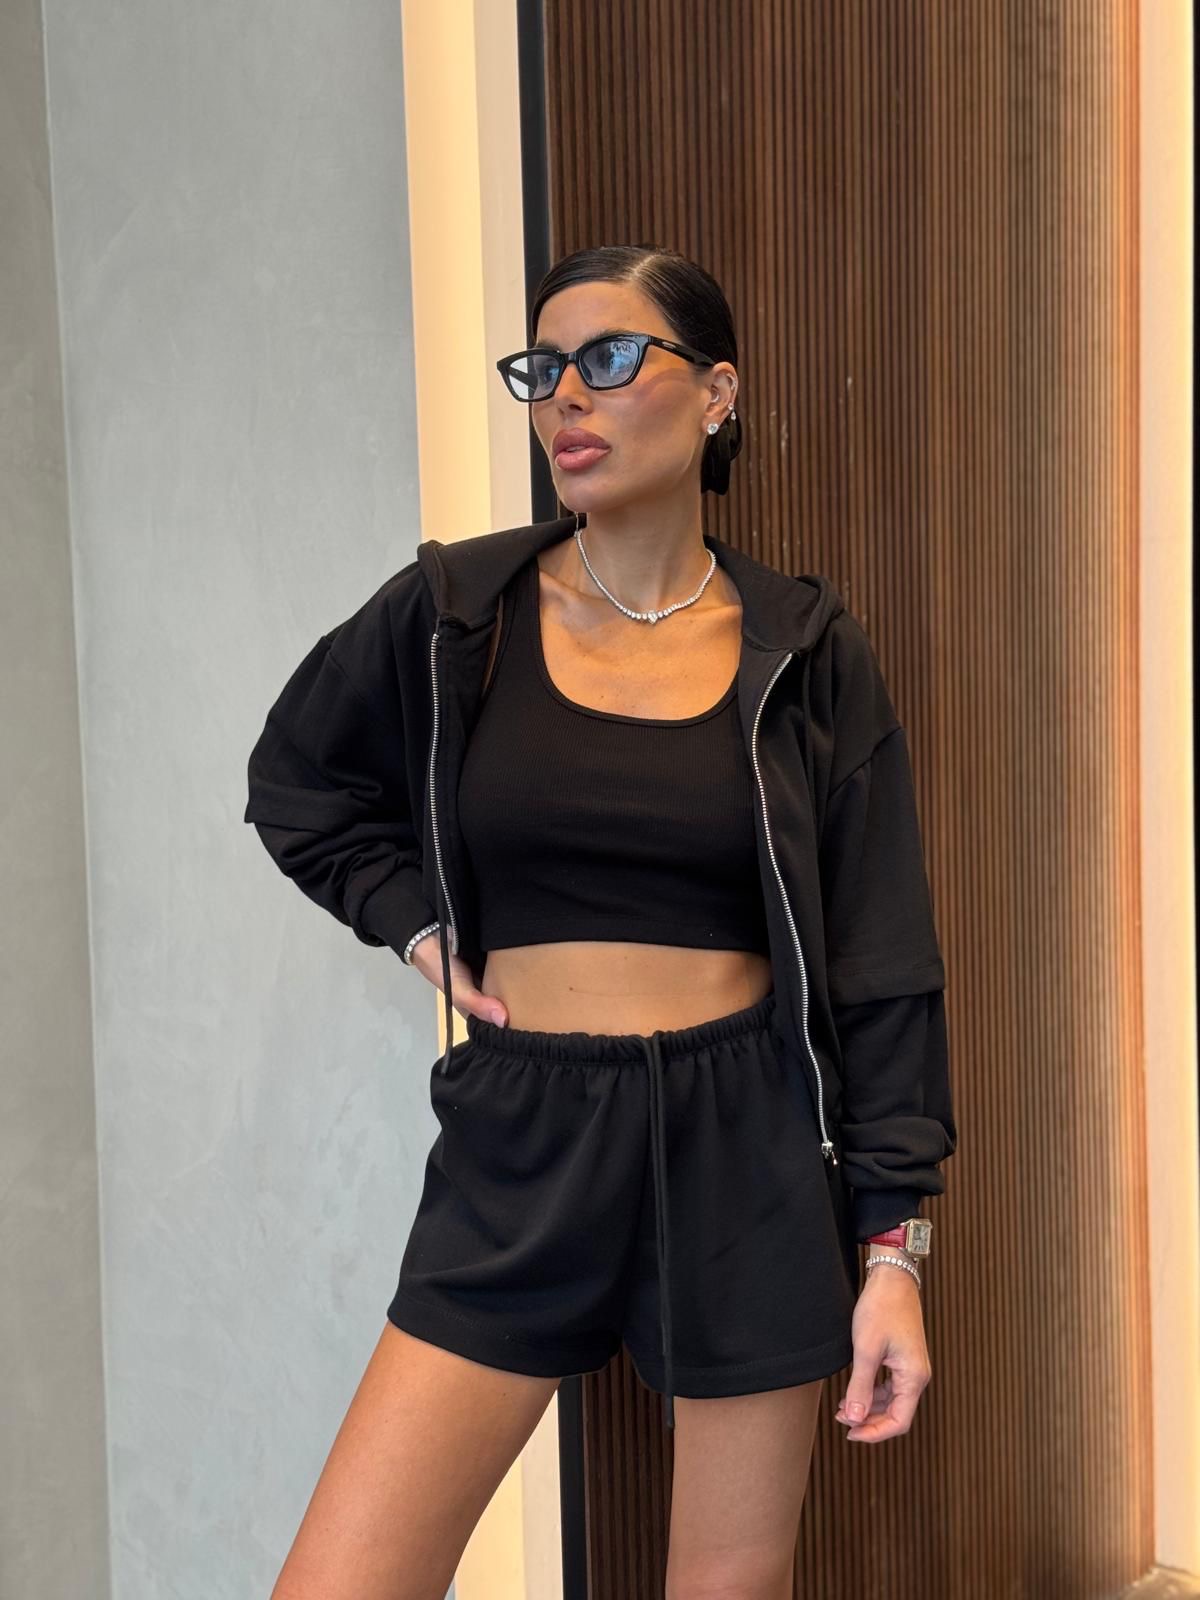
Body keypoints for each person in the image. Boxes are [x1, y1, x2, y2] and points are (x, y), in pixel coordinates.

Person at [245, 244, 958, 1600]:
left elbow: (884, 962)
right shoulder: (458, 613)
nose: (566, 396)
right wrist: (416, 928)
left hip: (745, 1140)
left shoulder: (806, 649)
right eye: (543, 368)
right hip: (526, 1129)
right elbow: (299, 784)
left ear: (717, 393)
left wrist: (893, 1250)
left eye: (612, 358)